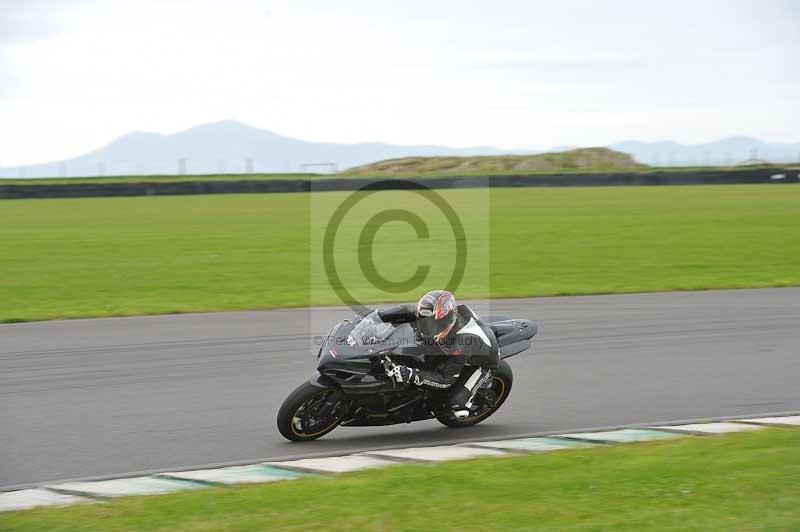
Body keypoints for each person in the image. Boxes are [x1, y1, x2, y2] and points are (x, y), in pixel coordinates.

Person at [377, 290, 499, 419]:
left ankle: (467, 402)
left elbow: (446, 379)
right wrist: (376, 317)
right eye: (425, 321)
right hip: (450, 346)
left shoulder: (463, 343)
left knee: (454, 404)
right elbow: (407, 310)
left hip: (480, 363)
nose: (429, 326)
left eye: (434, 323)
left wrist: (412, 375)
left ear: (449, 319)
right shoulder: (437, 317)